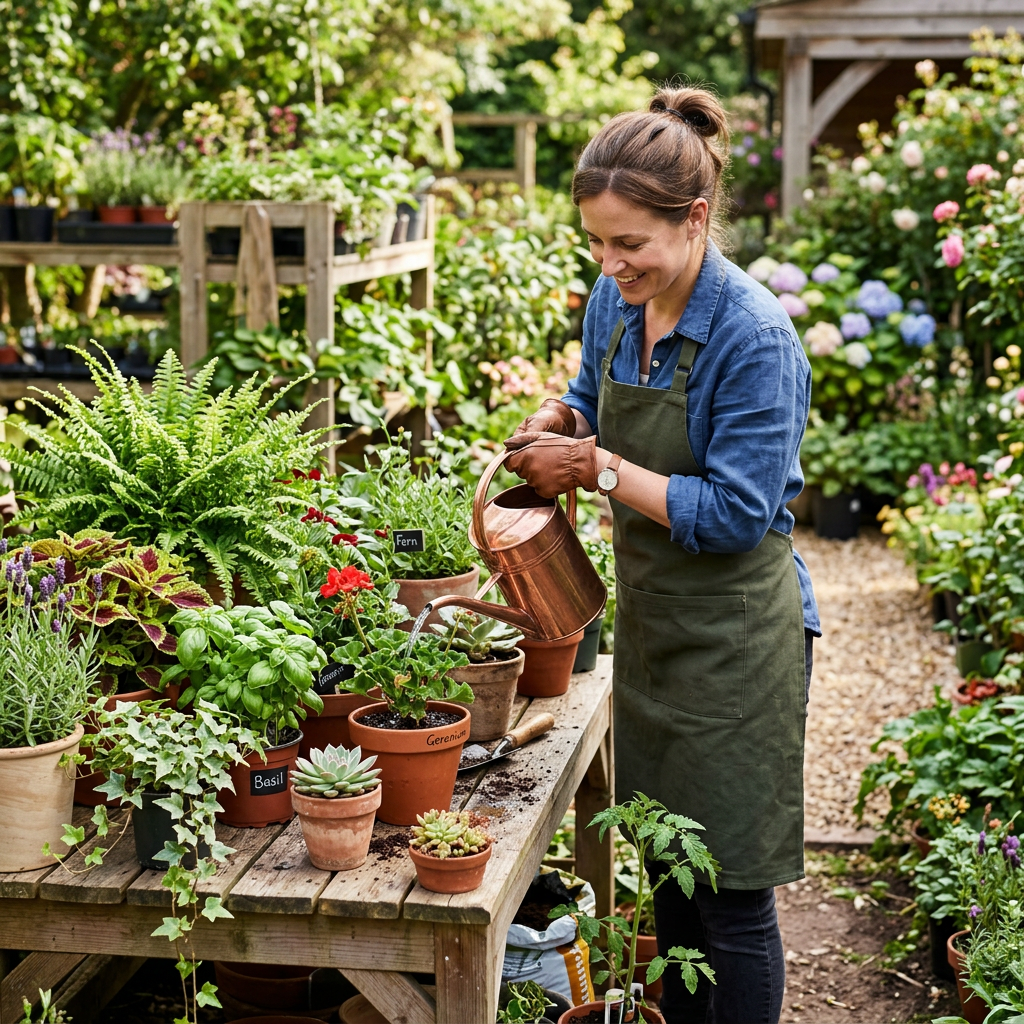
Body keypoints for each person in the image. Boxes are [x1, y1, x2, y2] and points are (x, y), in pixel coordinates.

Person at [504, 85, 821, 1024]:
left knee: (730, 894)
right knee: (670, 873)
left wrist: (596, 468)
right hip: (655, 629)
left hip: (735, 642)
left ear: (692, 220)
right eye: (597, 243)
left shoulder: (753, 337)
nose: (611, 264)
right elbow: (589, 394)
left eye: (629, 243)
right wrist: (559, 418)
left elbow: (733, 513)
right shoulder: (617, 302)